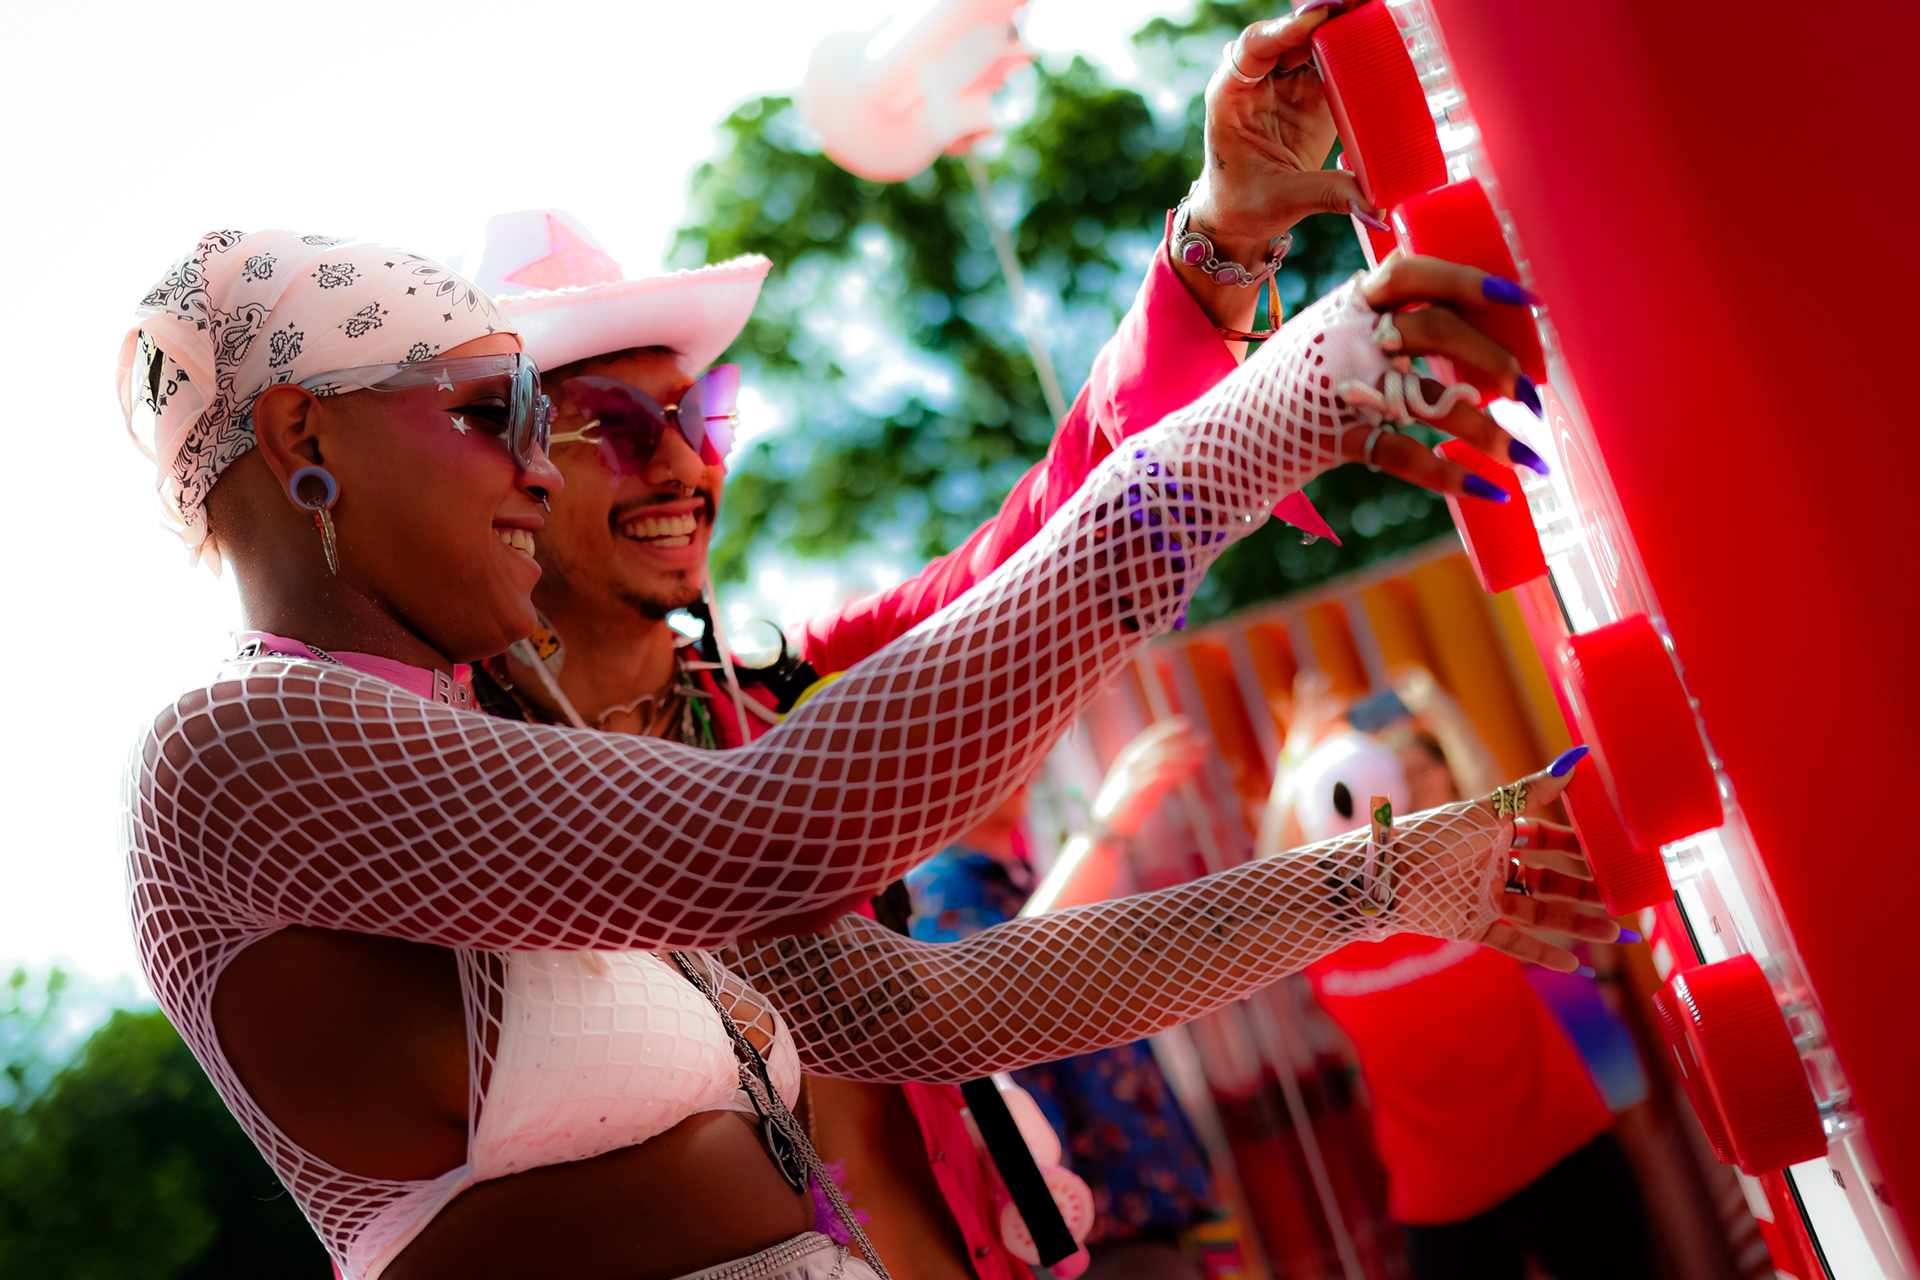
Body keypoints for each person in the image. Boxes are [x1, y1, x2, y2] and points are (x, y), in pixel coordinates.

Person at [116, 14, 1615, 1280]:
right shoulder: (250, 750)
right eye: (581, 422)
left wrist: (1385, 875)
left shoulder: (755, 701)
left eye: (706, 416)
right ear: (308, 436)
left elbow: (919, 997)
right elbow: (776, 830)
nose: (689, 463)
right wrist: (1272, 414)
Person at [1277, 699, 1655, 1280]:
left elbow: (1496, 795)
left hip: (1565, 1154)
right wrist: (1295, 760)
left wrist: (1442, 712)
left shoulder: (1463, 873)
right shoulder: (1318, 937)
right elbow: (1258, 877)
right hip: (1445, 1207)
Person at [902, 728, 1217, 1280]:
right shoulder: (936, 888)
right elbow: (1006, 980)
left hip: (1136, 1202)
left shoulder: (1015, 878)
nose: (1015, 765)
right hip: (1086, 1223)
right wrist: (1114, 818)